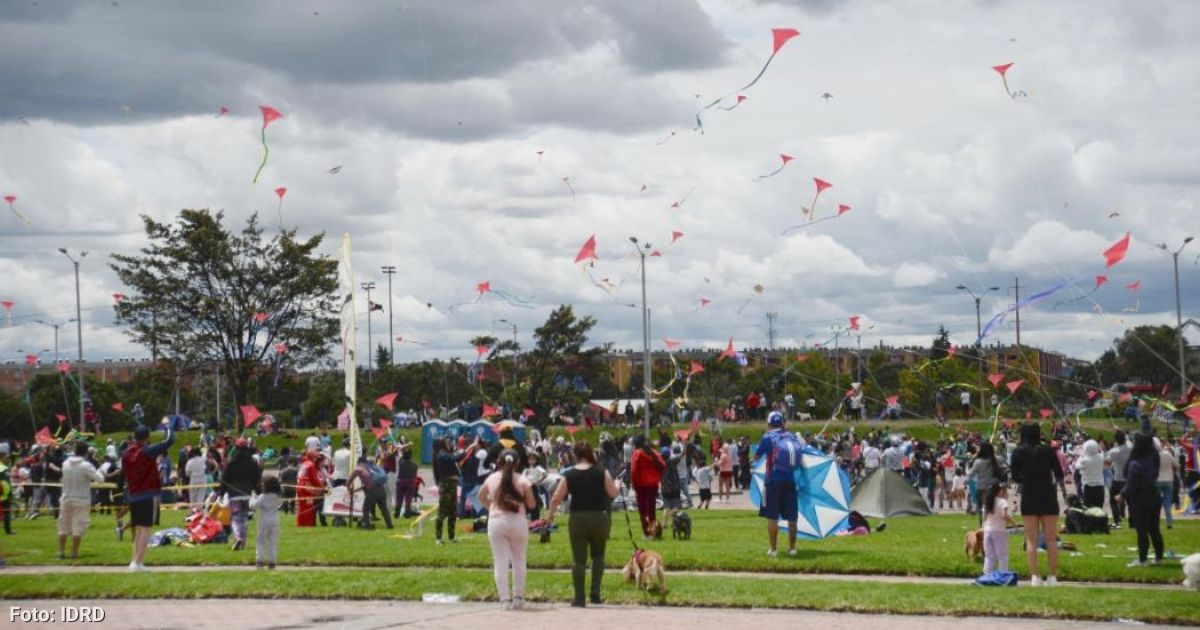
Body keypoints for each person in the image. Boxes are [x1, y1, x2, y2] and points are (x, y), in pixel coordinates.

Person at [547, 441, 619, 607]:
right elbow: (613, 493)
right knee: (598, 556)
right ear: (591, 454)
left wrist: (549, 516)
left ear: (575, 455)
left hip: (578, 518)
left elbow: (556, 498)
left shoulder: (569, 474)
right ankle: (595, 593)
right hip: (599, 518)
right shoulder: (602, 472)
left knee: (579, 560)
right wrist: (618, 485)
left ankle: (579, 597)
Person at [478, 449, 536, 610]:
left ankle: (505, 599)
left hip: (496, 521)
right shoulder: (523, 480)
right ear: (517, 463)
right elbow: (532, 505)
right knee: (519, 560)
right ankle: (518, 597)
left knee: (500, 562)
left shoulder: (492, 478)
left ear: (498, 462)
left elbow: (480, 496)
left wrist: (491, 508)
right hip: (517, 521)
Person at [1010, 422, 1063, 586]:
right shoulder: (1048, 450)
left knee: (1031, 540)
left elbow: (1015, 476)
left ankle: (1035, 576)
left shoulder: (1018, 451)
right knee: (1051, 539)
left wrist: (1025, 479)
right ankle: (1052, 577)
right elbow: (1059, 473)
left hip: (1029, 495)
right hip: (1048, 495)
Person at [121, 424, 174, 571]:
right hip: (148, 495)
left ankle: (135, 561)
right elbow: (170, 440)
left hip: (133, 495)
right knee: (146, 530)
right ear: (148, 437)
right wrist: (168, 427)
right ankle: (138, 562)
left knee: (139, 529)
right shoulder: (148, 451)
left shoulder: (125, 453)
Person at [756, 411, 801, 558]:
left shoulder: (767, 437)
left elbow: (756, 456)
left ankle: (774, 549)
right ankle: (793, 548)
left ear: (769, 424)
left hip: (773, 480)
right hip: (790, 480)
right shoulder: (792, 436)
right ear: (783, 423)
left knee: (772, 517)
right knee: (792, 517)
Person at [1119, 433, 1164, 566]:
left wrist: (1121, 494)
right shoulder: (1154, 457)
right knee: (1154, 529)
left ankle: (1143, 559)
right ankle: (1158, 558)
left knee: (1142, 530)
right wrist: (1144, 416)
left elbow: (1132, 484)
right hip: (1154, 495)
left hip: (1140, 499)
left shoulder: (1135, 464)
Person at [58, 441, 104, 560]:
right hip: (81, 499)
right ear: (86, 452)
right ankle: (74, 552)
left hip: (66, 497)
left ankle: (61, 552)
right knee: (78, 527)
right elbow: (100, 479)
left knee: (63, 525)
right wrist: (100, 469)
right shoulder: (86, 465)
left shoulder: (65, 463)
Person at [221, 438, 262, 551]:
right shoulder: (252, 462)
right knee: (243, 519)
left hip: (234, 494)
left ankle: (238, 537)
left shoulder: (231, 461)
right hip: (247, 494)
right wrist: (259, 493)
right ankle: (242, 543)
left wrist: (221, 493)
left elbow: (225, 479)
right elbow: (257, 479)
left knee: (235, 518)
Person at [629, 434, 664, 537]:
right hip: (653, 484)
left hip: (641, 486)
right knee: (651, 510)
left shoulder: (637, 453)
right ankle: (654, 530)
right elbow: (663, 465)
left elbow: (634, 471)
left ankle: (647, 532)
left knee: (643, 511)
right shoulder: (653, 452)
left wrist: (633, 484)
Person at [350, 456, 392, 530]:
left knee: (366, 509)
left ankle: (367, 526)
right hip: (382, 489)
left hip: (373, 490)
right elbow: (364, 486)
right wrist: (355, 490)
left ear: (359, 463)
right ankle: (389, 524)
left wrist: (347, 485)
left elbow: (351, 479)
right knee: (384, 508)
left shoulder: (361, 469)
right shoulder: (372, 469)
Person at [250, 475, 283, 569]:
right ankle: (272, 562)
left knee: (260, 541)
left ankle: (259, 561)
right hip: (275, 520)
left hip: (264, 521)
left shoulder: (262, 497)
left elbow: (253, 506)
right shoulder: (277, 496)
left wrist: (253, 497)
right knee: (273, 542)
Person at [433, 438, 460, 544]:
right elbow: (454, 458)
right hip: (446, 484)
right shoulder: (441, 455)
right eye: (446, 442)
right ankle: (438, 538)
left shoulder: (445, 453)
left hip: (452, 484)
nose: (448, 443)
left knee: (453, 511)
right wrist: (464, 451)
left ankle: (451, 537)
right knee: (443, 511)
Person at [1105, 431, 1131, 528]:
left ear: (1116, 440)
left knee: (1112, 501)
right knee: (1130, 502)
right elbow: (1128, 441)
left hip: (1118, 478)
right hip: (1128, 478)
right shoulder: (1130, 447)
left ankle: (1116, 521)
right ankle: (1132, 521)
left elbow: (1107, 462)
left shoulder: (1114, 451)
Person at [295, 449, 323, 527]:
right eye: (316, 457)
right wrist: (321, 487)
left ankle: (300, 524)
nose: (317, 459)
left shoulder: (304, 463)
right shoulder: (311, 465)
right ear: (313, 457)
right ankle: (308, 524)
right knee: (308, 507)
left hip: (300, 487)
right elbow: (314, 479)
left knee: (301, 507)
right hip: (307, 489)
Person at [1156, 438, 1179, 529]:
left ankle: (1155, 520)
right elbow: (1176, 465)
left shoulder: (1154, 455)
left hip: (1158, 480)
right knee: (1167, 503)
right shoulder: (1167, 454)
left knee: (1156, 503)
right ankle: (1169, 522)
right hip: (1169, 480)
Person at [1076, 439, 1105, 509]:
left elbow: (1077, 466)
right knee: (1099, 508)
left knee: (1088, 508)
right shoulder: (1101, 457)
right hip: (1099, 485)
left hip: (1088, 486)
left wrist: (1081, 456)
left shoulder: (1085, 460)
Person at [395, 447, 419, 518]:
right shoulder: (415, 465)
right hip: (410, 481)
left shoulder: (401, 463)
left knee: (399, 498)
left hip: (401, 481)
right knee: (408, 498)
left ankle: (397, 512)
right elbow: (415, 475)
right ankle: (407, 513)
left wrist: (401, 451)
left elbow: (400, 458)